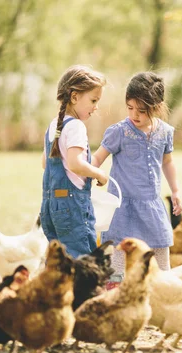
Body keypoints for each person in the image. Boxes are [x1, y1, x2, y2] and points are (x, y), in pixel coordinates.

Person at [93, 71, 182, 286]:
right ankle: (113, 293)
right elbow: (97, 157)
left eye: (142, 111)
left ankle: (163, 291)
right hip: (123, 207)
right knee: (118, 255)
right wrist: (90, 173)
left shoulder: (165, 132)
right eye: (130, 108)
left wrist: (176, 190)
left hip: (152, 204)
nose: (135, 115)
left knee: (160, 247)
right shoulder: (120, 132)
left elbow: (167, 162)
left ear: (157, 107)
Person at [40, 65, 108, 258]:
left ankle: (55, 288)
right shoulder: (76, 126)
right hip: (72, 208)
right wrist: (99, 174)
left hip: (50, 206)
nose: (96, 107)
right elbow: (75, 164)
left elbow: (45, 163)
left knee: (58, 258)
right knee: (81, 257)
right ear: (75, 96)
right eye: (93, 100)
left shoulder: (54, 125)